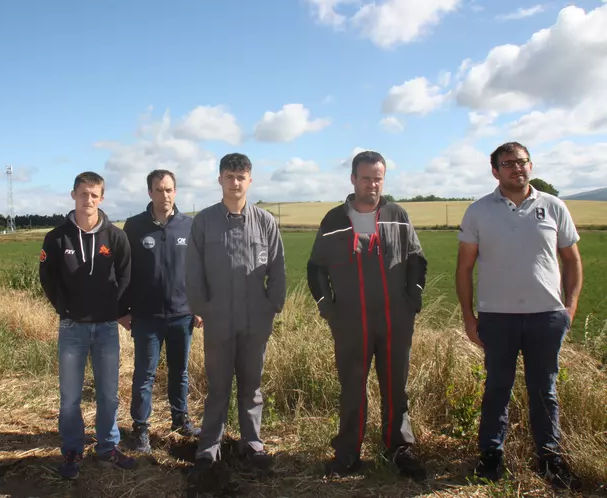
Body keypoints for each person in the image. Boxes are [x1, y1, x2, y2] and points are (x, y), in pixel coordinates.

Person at [456, 142, 583, 490]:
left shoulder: (554, 207)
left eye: (522, 162)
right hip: (498, 318)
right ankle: (491, 455)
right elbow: (464, 268)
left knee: (545, 389)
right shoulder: (478, 211)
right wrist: (469, 318)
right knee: (497, 387)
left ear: (531, 165)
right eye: (508, 163)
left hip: (546, 316)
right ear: (495, 170)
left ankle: (549, 457)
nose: (517, 168)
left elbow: (572, 261)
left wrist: (568, 309)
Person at [307, 150, 427, 481]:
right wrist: (327, 307)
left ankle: (399, 448)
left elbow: (417, 259)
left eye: (378, 178)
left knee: (395, 386)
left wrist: (412, 298)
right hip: (349, 322)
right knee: (352, 388)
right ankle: (348, 454)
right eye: (365, 178)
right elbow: (316, 268)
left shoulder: (397, 214)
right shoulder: (333, 220)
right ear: (353, 179)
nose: (372, 184)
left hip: (394, 320)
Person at [185, 153, 286, 477]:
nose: (235, 182)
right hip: (218, 320)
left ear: (250, 180)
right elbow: (193, 271)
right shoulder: (204, 222)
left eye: (241, 177)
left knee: (251, 385)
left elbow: (278, 269)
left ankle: (252, 442)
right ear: (220, 180)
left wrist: (272, 306)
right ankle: (209, 447)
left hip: (256, 319)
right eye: (229, 176)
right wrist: (202, 309)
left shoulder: (265, 222)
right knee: (217, 386)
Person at [39, 171, 136, 480]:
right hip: (72, 328)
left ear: (102, 198)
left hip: (107, 328)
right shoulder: (57, 237)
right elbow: (48, 278)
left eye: (94, 195)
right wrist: (64, 308)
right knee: (70, 396)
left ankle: (107, 447)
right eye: (83, 194)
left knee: (108, 393)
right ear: (73, 196)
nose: (88, 200)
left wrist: (111, 307)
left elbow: (125, 275)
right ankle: (72, 449)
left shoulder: (116, 236)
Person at [118, 169, 202, 454]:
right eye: (158, 190)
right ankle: (140, 429)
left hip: (182, 314)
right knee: (145, 374)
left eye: (169, 189)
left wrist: (199, 307)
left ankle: (181, 420)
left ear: (175, 192)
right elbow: (123, 271)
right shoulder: (135, 226)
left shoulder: (189, 226)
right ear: (149, 193)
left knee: (180, 372)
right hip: (146, 316)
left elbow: (198, 270)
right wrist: (122, 310)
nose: (164, 195)